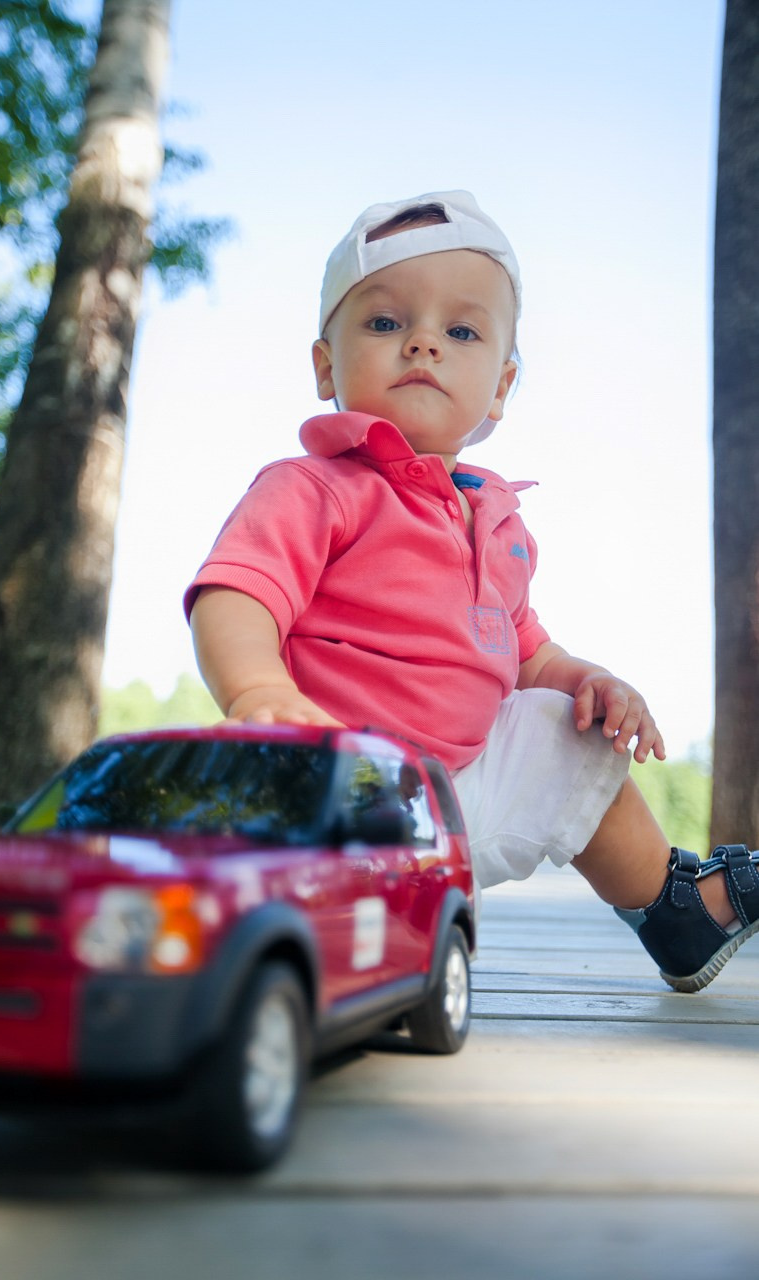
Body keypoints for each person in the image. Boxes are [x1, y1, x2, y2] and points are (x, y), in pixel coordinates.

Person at [185, 189, 759, 993]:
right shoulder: (312, 489)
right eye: (385, 322)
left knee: (570, 727)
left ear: (500, 386)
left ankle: (675, 911)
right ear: (325, 366)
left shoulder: (496, 520)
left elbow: (526, 652)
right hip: (342, 794)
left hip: (463, 791)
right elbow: (237, 593)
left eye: (460, 332)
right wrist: (257, 691)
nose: (422, 342)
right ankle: (326, 958)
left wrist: (587, 679)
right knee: (342, 941)